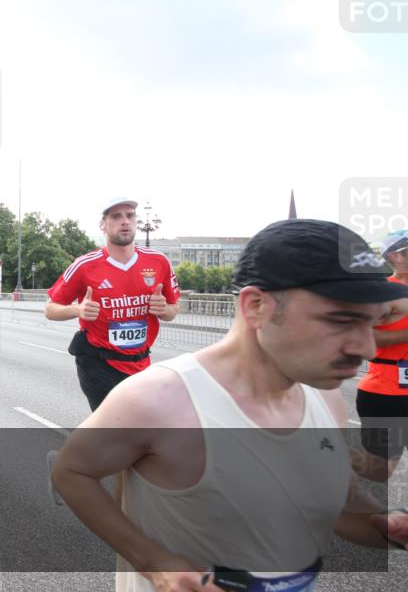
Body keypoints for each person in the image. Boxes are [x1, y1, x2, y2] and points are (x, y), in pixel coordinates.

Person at [51, 219, 408, 591]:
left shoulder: (327, 399)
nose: (367, 348)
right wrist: (154, 562)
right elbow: (72, 472)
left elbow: (335, 498)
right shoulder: (158, 399)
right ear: (256, 307)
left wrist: (387, 524)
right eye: (340, 320)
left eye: (371, 323)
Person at [46, 197, 181, 411]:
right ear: (103, 225)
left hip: (141, 363)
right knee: (115, 428)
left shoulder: (159, 262)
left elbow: (174, 309)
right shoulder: (85, 265)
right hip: (98, 363)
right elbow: (50, 310)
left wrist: (165, 310)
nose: (124, 221)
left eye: (129, 215)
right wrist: (77, 310)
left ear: (136, 221)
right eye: (116, 216)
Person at [354, 229, 408, 482]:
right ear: (394, 257)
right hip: (386, 394)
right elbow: (362, 337)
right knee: (378, 474)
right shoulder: (382, 292)